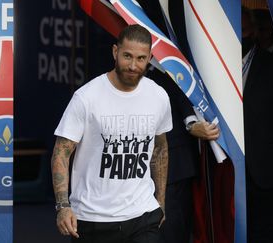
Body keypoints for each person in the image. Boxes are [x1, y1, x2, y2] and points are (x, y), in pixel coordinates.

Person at [51, 24, 172, 243]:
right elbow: (61, 152)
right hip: (92, 219)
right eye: (127, 56)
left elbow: (160, 148)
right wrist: (62, 206)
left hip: (143, 214)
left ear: (150, 58)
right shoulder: (86, 97)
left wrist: (160, 202)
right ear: (115, 52)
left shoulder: (159, 96)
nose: (133, 65)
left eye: (141, 58)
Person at [147, 69, 219, 243]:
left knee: (171, 232)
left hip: (173, 168)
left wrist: (191, 122)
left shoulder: (171, 62)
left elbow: (182, 88)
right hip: (131, 170)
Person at [242, 7, 273, 242]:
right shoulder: (215, 70)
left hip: (266, 171)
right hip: (231, 172)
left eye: (242, 31)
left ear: (253, 31)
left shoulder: (272, 65)